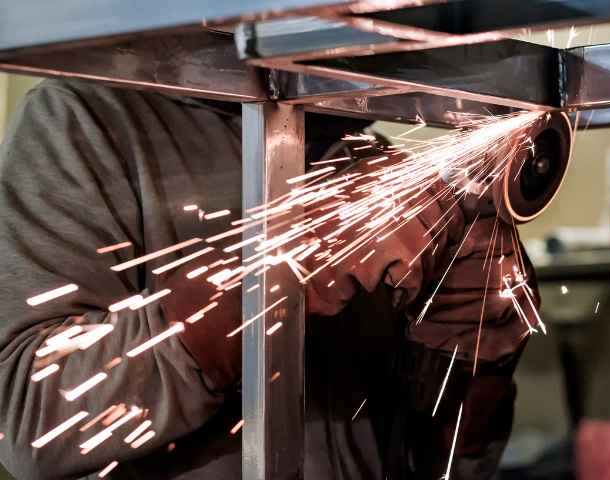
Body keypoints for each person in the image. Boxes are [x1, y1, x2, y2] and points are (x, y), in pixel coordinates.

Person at [0, 78, 538, 479]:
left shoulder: (368, 156)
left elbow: (444, 463)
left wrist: (478, 363)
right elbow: (27, 418)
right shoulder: (86, 120)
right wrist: (288, 268)